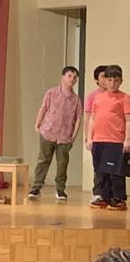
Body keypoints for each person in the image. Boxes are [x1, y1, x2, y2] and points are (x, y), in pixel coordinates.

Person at [28, 66, 82, 201]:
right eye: (69, 76)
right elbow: (43, 108)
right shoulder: (51, 93)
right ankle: (36, 187)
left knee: (62, 164)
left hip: (65, 136)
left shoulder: (76, 99)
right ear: (63, 77)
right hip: (48, 132)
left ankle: (60, 189)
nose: (72, 79)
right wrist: (37, 124)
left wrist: (73, 137)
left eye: (75, 77)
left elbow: (78, 119)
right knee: (43, 160)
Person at [88, 65, 130, 211]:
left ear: (121, 81)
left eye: (116, 80)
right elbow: (92, 118)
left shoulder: (124, 98)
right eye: (110, 80)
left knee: (115, 172)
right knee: (101, 171)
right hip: (99, 140)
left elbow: (128, 120)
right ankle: (103, 197)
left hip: (116, 141)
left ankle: (118, 199)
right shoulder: (98, 98)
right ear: (104, 81)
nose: (112, 84)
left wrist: (127, 139)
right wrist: (89, 138)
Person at [84, 65, 107, 204]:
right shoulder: (92, 97)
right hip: (97, 137)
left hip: (113, 137)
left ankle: (110, 194)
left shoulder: (118, 96)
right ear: (97, 80)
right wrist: (88, 137)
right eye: (102, 77)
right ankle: (98, 193)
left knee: (112, 167)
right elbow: (88, 118)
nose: (106, 80)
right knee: (98, 167)